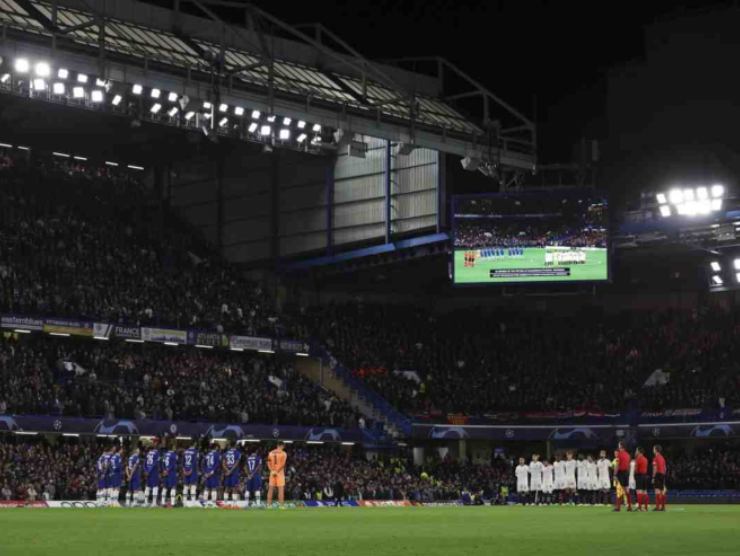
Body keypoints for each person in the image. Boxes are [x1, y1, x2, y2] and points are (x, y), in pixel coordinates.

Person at [267, 441, 288, 507]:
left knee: (270, 489)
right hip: (280, 473)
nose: (283, 448)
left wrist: (272, 471)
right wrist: (277, 471)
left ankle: (269, 505)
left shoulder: (270, 453)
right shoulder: (283, 453)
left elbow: (268, 463)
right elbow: (283, 464)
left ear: (277, 445)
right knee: (280, 489)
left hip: (272, 472)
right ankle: (281, 506)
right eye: (283, 446)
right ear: (282, 446)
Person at [614, 441, 632, 512]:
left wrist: (615, 474)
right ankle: (629, 507)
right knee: (627, 490)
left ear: (621, 446)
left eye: (619, 444)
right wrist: (628, 474)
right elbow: (629, 466)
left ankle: (618, 507)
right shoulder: (628, 455)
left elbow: (617, 465)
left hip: (621, 473)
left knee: (619, 490)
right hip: (626, 473)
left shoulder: (619, 454)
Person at [144, 440, 161, 507]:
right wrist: (149, 471)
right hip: (153, 472)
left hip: (148, 471)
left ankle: (145, 502)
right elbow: (155, 463)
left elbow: (144, 463)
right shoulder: (157, 453)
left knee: (147, 486)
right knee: (155, 486)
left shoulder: (148, 453)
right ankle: (154, 503)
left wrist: (146, 470)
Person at [161, 440, 178, 506]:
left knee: (165, 487)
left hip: (165, 473)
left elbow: (162, 463)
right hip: (171, 473)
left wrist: (164, 470)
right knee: (173, 487)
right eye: (174, 447)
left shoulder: (165, 454)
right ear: (173, 447)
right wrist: (167, 471)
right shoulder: (174, 455)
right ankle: (173, 503)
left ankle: (162, 503)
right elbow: (173, 464)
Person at [652, 445, 667, 511]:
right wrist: (663, 475)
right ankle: (663, 507)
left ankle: (657, 507)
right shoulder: (662, 458)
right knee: (662, 491)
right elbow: (665, 468)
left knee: (657, 491)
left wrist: (653, 477)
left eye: (653, 449)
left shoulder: (655, 458)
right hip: (662, 475)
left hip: (657, 475)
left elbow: (655, 468)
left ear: (656, 450)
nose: (653, 450)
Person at [634, 447, 649, 511]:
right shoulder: (646, 459)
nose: (636, 451)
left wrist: (634, 475)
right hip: (645, 476)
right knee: (645, 492)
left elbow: (636, 469)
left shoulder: (638, 459)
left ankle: (639, 508)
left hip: (639, 476)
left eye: (636, 450)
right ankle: (645, 508)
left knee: (639, 492)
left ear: (639, 451)